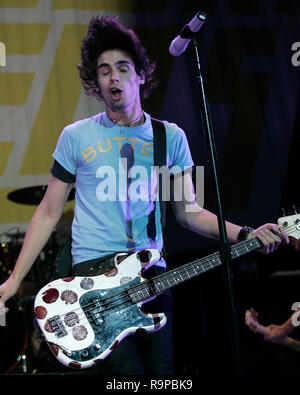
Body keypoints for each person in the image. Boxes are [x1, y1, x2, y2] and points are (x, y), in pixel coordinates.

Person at [0, 16, 289, 375]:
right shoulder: (75, 137)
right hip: (93, 283)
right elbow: (47, 213)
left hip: (152, 277)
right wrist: (12, 282)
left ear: (140, 75)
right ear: (96, 83)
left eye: (122, 68)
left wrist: (245, 233)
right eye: (104, 71)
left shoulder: (170, 138)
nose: (113, 77)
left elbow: (190, 212)